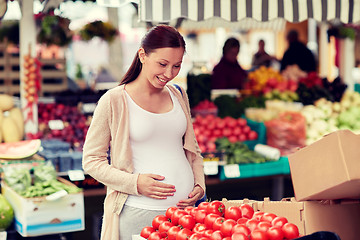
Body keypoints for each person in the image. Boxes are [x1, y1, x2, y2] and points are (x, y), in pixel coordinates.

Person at [82, 25, 205, 240]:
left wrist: (199, 184)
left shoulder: (178, 94)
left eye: (177, 66)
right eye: (162, 64)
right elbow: (91, 160)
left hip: (186, 214)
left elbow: (192, 150)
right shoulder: (114, 100)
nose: (169, 74)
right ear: (142, 55)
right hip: (140, 212)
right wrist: (135, 183)